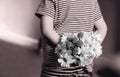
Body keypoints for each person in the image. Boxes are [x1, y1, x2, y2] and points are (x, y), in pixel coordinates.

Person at [36, 0, 108, 77]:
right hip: (60, 69)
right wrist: (76, 50)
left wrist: (90, 51)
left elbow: (47, 30)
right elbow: (47, 30)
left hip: (74, 70)